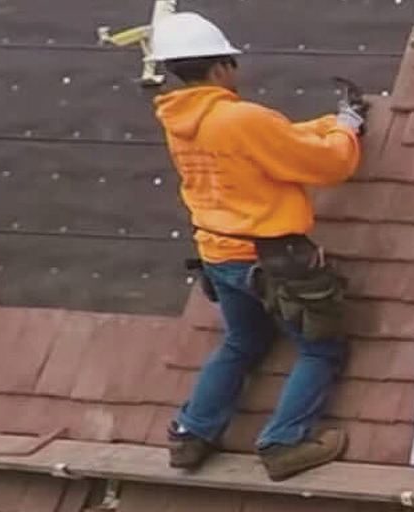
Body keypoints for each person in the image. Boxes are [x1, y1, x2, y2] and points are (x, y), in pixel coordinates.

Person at [152, 12, 365, 481]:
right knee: (321, 348)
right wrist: (346, 130)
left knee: (243, 339)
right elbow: (326, 165)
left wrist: (329, 121)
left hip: (218, 253)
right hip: (272, 259)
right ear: (221, 67)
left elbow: (272, 141)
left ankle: (190, 434)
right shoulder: (240, 117)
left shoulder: (180, 118)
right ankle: (283, 444)